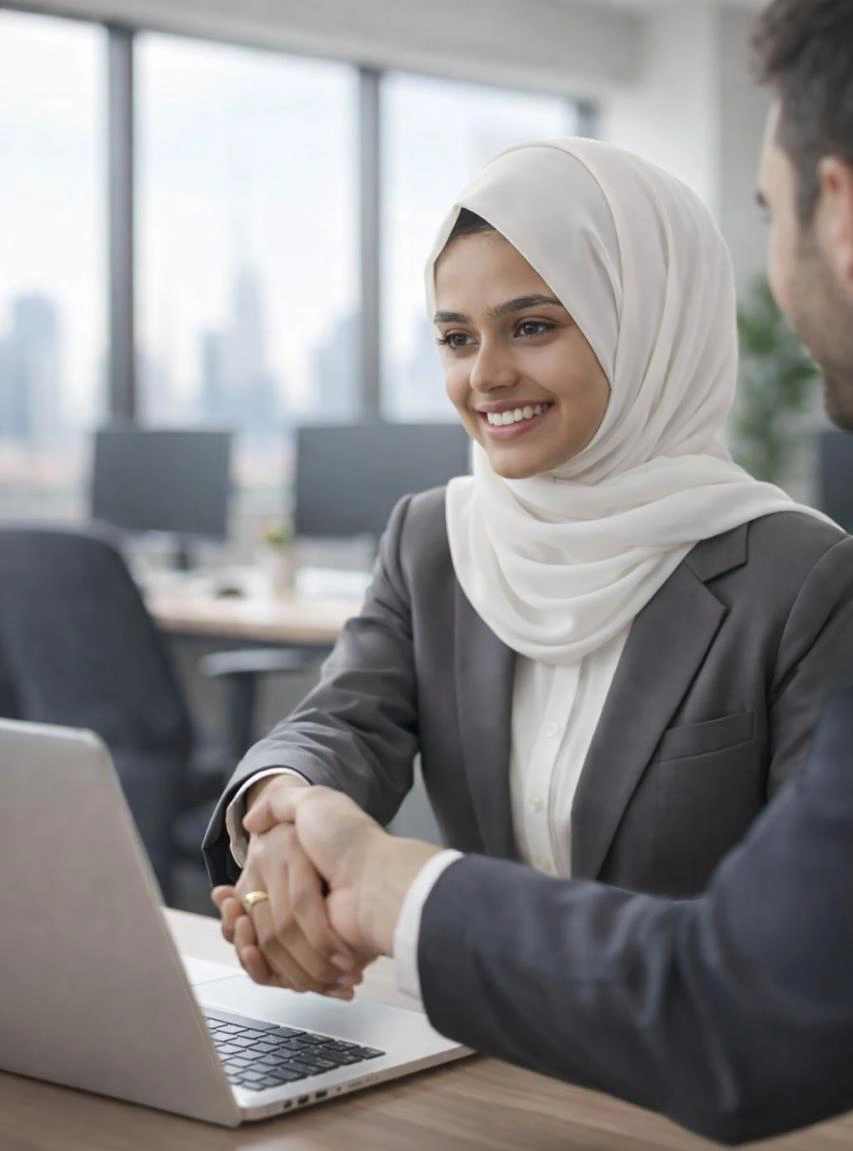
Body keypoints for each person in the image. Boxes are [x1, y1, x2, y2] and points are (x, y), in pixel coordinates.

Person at [205, 134, 853, 1004]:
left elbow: (804, 941)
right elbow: (346, 721)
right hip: (480, 1038)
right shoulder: (434, 538)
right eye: (455, 338)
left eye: (532, 326)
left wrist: (402, 892)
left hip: (687, 1052)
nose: (485, 375)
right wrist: (283, 809)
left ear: (646, 325)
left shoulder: (804, 580)